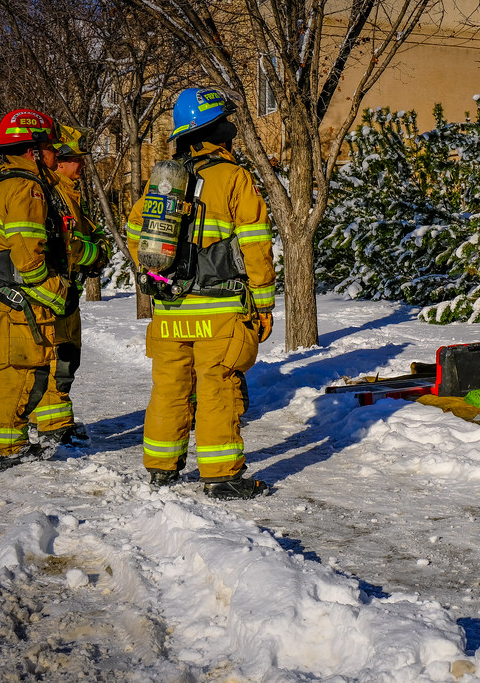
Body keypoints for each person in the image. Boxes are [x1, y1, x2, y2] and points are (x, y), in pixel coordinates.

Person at [126, 87, 275, 500]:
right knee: (217, 385)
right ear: (219, 131)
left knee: (170, 386)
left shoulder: (165, 181)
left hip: (170, 307)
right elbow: (256, 244)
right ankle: (221, 475)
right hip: (219, 309)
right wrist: (263, 303)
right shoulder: (234, 177)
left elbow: (136, 231)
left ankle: (161, 468)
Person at [0, 109, 71, 470]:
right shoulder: (27, 188)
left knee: (6, 374)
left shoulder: (3, 182)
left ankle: (6, 443)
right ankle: (7, 450)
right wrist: (58, 293)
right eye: (50, 147)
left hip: (3, 300)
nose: (55, 154)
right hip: (20, 303)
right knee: (21, 375)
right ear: (33, 150)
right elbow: (28, 256)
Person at [30, 124, 110, 446]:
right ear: (60, 161)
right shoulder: (56, 194)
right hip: (56, 291)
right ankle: (54, 428)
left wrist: (96, 244)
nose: (82, 165)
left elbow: (87, 231)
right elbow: (72, 246)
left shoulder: (69, 193)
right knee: (59, 358)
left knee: (63, 356)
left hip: (65, 290)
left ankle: (53, 422)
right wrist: (97, 254)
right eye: (76, 159)